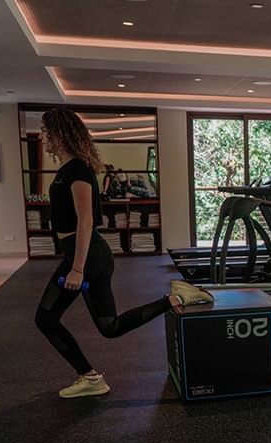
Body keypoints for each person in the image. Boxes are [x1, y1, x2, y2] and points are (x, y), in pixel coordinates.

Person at [34, 107, 213, 399]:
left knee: (63, 321)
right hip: (81, 257)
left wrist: (77, 269)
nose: (43, 137)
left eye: (45, 131)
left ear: (60, 133)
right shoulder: (68, 169)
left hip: (89, 258)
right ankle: (174, 299)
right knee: (105, 325)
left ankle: (90, 376)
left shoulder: (78, 169)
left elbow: (86, 220)